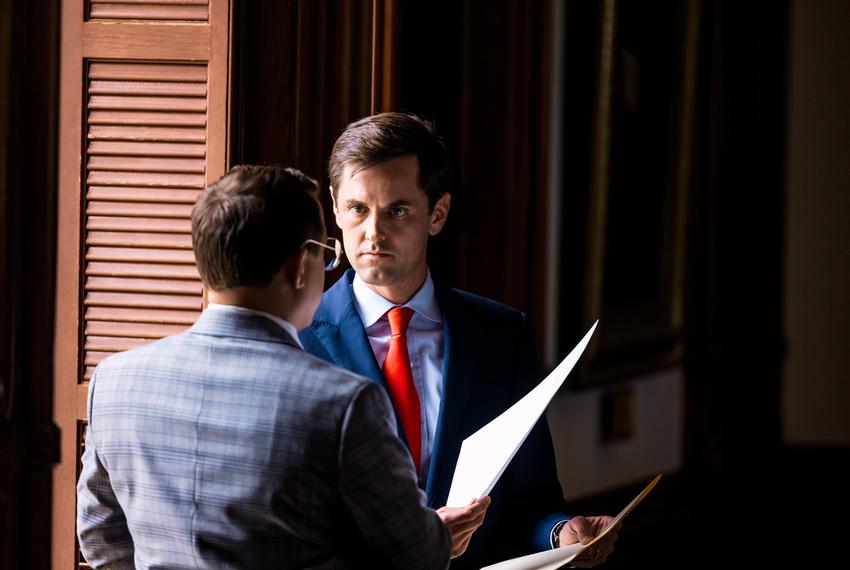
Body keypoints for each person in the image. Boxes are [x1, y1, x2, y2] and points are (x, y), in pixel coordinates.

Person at [77, 164, 488, 569]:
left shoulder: (113, 382)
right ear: (299, 267)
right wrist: (435, 537)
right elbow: (413, 556)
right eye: (325, 256)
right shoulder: (343, 403)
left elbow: (100, 539)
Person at [300, 113, 619, 569]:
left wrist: (559, 532)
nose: (373, 232)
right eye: (357, 209)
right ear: (333, 206)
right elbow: (287, 519)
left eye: (398, 210)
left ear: (438, 213)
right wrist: (415, 543)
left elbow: (532, 494)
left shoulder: (500, 334)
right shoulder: (298, 338)